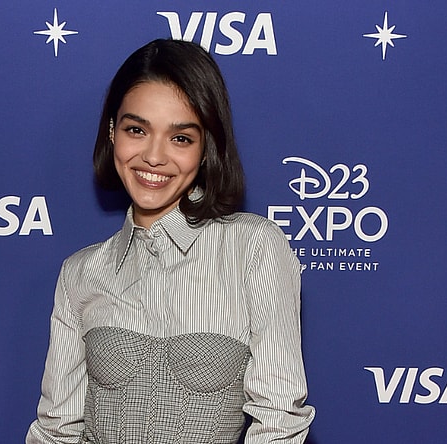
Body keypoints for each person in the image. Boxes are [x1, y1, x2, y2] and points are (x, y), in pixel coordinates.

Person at [26, 38, 314, 444]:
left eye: (180, 138)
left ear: (206, 147)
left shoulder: (254, 247)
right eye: (136, 130)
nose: (154, 157)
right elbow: (56, 431)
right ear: (112, 132)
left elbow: (280, 421)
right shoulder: (80, 273)